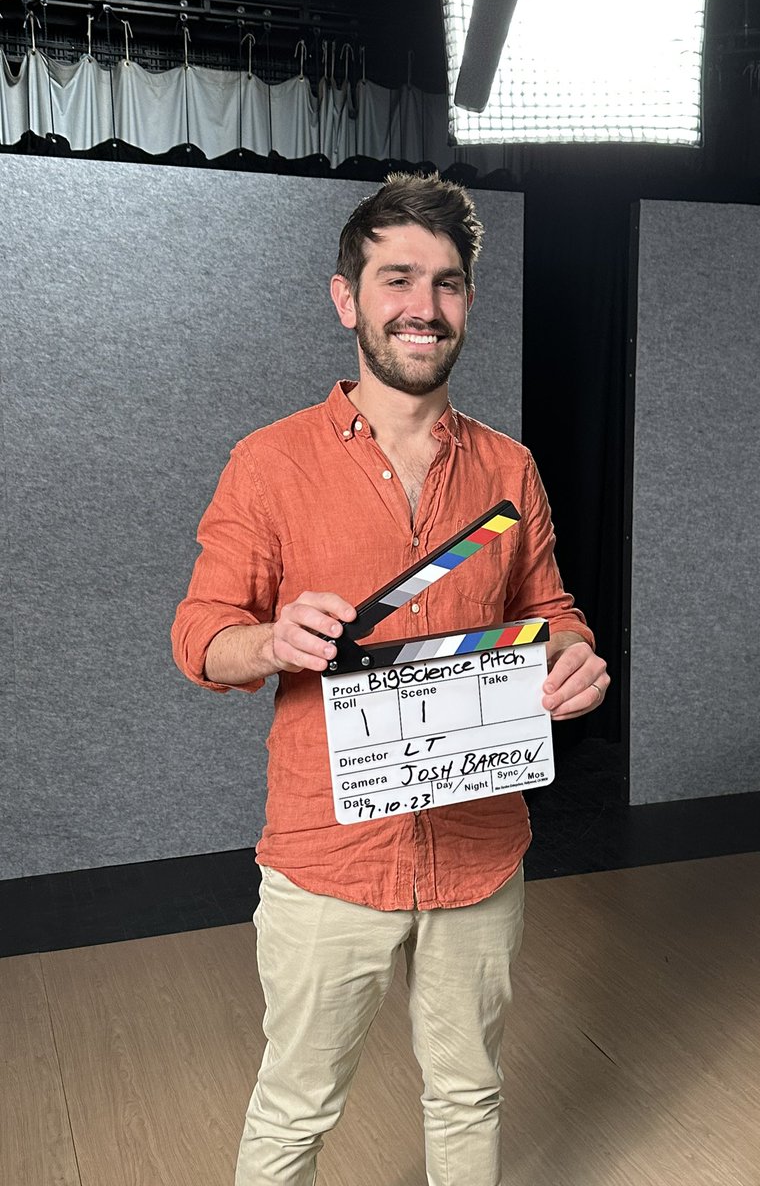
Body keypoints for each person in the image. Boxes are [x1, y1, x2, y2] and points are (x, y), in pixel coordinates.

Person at [171, 172, 609, 1186]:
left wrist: (569, 656)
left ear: (467, 301)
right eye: (397, 279)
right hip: (331, 857)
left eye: (448, 284)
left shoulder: (510, 468)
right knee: (295, 1108)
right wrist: (272, 642)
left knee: (469, 1094)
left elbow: (550, 609)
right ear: (347, 297)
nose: (424, 307)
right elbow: (198, 634)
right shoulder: (268, 463)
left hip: (480, 849)